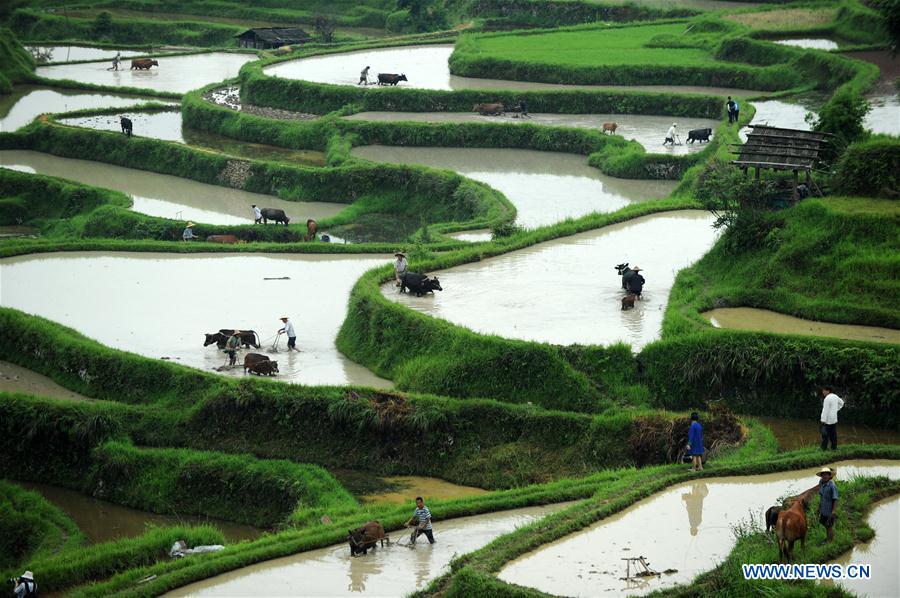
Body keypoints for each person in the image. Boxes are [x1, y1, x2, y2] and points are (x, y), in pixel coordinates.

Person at [816, 467, 839, 542]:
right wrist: (819, 508)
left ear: (830, 476)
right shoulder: (822, 485)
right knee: (826, 525)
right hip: (823, 510)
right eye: (823, 475)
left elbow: (835, 499)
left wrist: (834, 511)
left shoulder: (832, 486)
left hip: (829, 511)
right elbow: (821, 497)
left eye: (826, 474)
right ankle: (828, 538)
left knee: (829, 527)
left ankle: (830, 541)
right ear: (821, 476)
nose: (825, 476)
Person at [820, 385, 844, 450]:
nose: (823, 392)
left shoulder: (827, 398)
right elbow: (842, 403)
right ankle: (834, 448)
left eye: (824, 390)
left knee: (825, 435)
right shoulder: (835, 396)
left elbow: (825, 410)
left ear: (828, 391)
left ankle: (823, 448)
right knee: (833, 434)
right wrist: (836, 409)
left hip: (827, 420)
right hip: (834, 419)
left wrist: (823, 420)